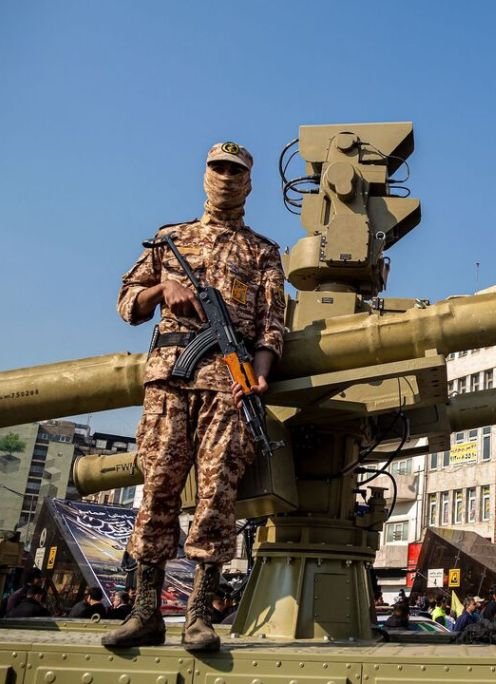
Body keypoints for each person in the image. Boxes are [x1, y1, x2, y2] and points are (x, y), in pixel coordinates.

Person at [102, 142, 287, 652]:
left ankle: (198, 616)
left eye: (237, 171)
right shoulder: (169, 239)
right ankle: (145, 612)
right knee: (158, 490)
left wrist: (260, 373)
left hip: (230, 384)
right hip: (168, 380)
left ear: (249, 183)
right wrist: (164, 291)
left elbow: (273, 325)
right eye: (219, 168)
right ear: (205, 174)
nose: (226, 177)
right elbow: (126, 302)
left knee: (215, 500)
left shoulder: (263, 251)